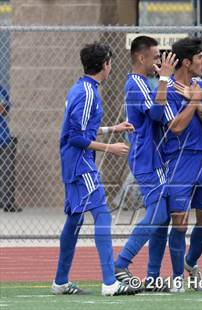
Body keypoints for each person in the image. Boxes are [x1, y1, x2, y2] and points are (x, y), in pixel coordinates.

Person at [52, 42, 139, 296]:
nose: (111, 67)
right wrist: (110, 148)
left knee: (75, 221)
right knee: (103, 214)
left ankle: (60, 282)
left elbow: (81, 129)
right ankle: (110, 283)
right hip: (81, 164)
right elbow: (75, 136)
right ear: (105, 64)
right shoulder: (89, 93)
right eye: (110, 63)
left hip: (73, 162)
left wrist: (114, 129)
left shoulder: (81, 88)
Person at [113, 36, 178, 290]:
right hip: (145, 158)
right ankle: (121, 263)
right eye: (154, 58)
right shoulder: (135, 84)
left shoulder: (143, 82)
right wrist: (164, 79)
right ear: (141, 58)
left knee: (162, 218)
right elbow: (156, 113)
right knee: (159, 214)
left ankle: (152, 277)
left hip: (154, 157)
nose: (159, 62)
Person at [160, 37, 202, 292]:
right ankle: (176, 278)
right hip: (179, 160)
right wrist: (194, 102)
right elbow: (175, 127)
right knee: (180, 221)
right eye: (200, 58)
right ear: (186, 62)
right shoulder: (167, 90)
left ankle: (190, 263)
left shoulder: (201, 85)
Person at [0, 86, 20, 212]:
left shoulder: (1, 90)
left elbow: (4, 108)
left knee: (7, 171)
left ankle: (7, 202)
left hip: (3, 138)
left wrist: (3, 106)